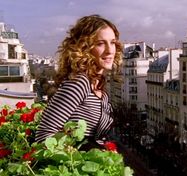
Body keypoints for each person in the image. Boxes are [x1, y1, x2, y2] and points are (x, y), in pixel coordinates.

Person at [35, 14, 123, 149]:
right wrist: (83, 155)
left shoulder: (98, 86)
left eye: (112, 42)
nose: (110, 50)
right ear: (84, 48)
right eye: (100, 43)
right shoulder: (78, 84)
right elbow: (43, 136)